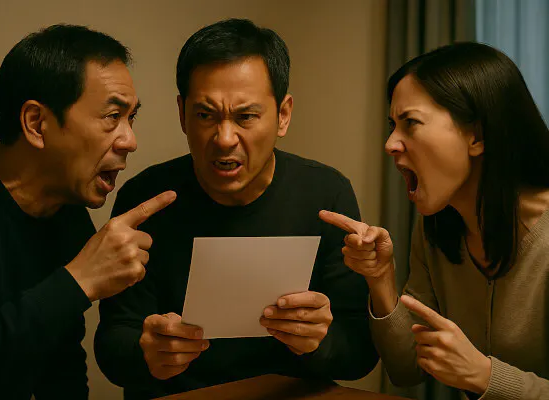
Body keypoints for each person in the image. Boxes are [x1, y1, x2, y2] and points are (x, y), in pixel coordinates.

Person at [94, 18, 379, 399]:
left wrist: (320, 340)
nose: (225, 138)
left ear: (283, 115)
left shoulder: (325, 195)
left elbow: (360, 355)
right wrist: (146, 353)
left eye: (245, 117)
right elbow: (112, 342)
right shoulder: (146, 199)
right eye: (205, 115)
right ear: (182, 114)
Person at [0, 24, 175, 399]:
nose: (130, 140)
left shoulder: (67, 215)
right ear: (37, 124)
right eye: (112, 116)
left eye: (130, 118)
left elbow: (60, 367)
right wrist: (78, 282)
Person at [321, 42, 549, 400]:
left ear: (477, 135)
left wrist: (485, 376)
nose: (390, 144)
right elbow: (406, 368)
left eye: (410, 123)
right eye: (393, 125)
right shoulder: (438, 226)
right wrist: (381, 279)